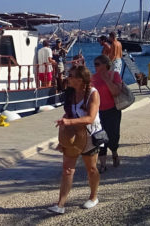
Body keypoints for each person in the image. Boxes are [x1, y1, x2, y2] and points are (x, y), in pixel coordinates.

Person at [48, 64, 102, 214]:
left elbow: (91, 118)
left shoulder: (93, 93)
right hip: (73, 135)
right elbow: (69, 113)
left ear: (80, 79)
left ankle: (93, 197)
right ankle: (60, 204)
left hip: (90, 134)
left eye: (71, 76)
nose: (68, 78)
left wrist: (69, 122)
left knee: (91, 168)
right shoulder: (70, 93)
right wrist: (65, 121)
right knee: (67, 169)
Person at [92, 54, 123, 172]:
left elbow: (116, 92)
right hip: (98, 111)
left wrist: (106, 79)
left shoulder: (114, 75)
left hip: (113, 110)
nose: (95, 66)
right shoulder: (93, 78)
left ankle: (114, 152)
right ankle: (103, 164)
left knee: (113, 135)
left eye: (97, 64)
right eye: (94, 64)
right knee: (100, 137)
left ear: (105, 65)